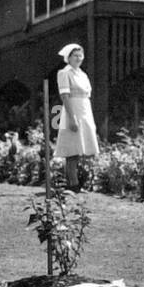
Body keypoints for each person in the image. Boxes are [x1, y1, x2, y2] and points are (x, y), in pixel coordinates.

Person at [55, 42, 100, 191]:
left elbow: (86, 95)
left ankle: (77, 182)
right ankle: (73, 184)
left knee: (82, 148)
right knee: (72, 151)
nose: (78, 58)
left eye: (80, 55)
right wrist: (72, 118)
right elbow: (65, 96)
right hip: (72, 111)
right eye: (75, 55)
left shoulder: (83, 74)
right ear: (68, 57)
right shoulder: (64, 73)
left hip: (84, 111)